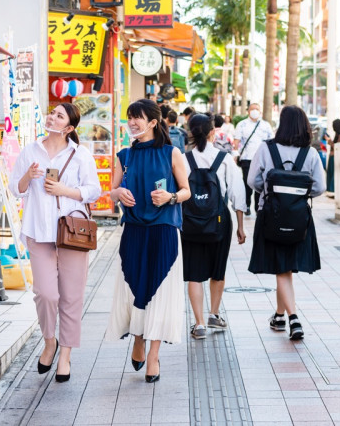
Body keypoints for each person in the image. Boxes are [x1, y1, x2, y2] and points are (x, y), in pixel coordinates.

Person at [9, 103, 101, 383]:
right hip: (39, 231)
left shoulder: (80, 155)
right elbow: (16, 188)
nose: (52, 117)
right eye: (52, 112)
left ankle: (65, 356)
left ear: (69, 127)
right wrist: (28, 176)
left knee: (72, 297)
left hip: (72, 233)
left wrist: (65, 191)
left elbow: (94, 191)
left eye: (59, 115)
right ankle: (50, 341)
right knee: (46, 294)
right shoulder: (31, 150)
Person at [106, 99, 191, 383]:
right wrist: (118, 194)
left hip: (164, 229)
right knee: (135, 287)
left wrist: (171, 198)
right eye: (129, 117)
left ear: (153, 122)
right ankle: (138, 338)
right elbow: (112, 190)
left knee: (162, 289)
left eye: (137, 117)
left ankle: (153, 354)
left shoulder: (172, 153)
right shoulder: (124, 156)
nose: (132, 122)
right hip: (134, 230)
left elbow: (186, 190)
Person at [247, 106, 325, 340]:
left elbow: (253, 180)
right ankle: (279, 315)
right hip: (300, 219)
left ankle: (293, 318)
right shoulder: (310, 154)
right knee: (286, 268)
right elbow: (320, 187)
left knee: (282, 269)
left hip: (271, 217)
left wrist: (271, 194)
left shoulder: (266, 148)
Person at [182, 114, 247, 339]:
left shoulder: (183, 158)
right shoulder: (225, 158)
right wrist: (241, 225)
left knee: (194, 273)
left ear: (190, 132)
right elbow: (237, 193)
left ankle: (199, 324)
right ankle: (213, 314)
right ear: (212, 133)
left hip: (189, 222)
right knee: (217, 270)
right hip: (219, 222)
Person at [233, 103, 274, 216]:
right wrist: (235, 155)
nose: (255, 111)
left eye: (257, 109)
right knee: (248, 182)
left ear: (260, 111)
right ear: (248, 111)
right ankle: (246, 205)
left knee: (260, 183)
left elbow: (271, 142)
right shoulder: (242, 125)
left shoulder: (266, 125)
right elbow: (236, 142)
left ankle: (257, 207)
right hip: (247, 158)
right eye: (252, 109)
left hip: (263, 159)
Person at [326, 119, 340, 192]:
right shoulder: (338, 134)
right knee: (330, 173)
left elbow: (337, 147)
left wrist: (329, 142)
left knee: (333, 175)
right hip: (332, 156)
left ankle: (332, 189)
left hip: (336, 157)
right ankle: (329, 189)